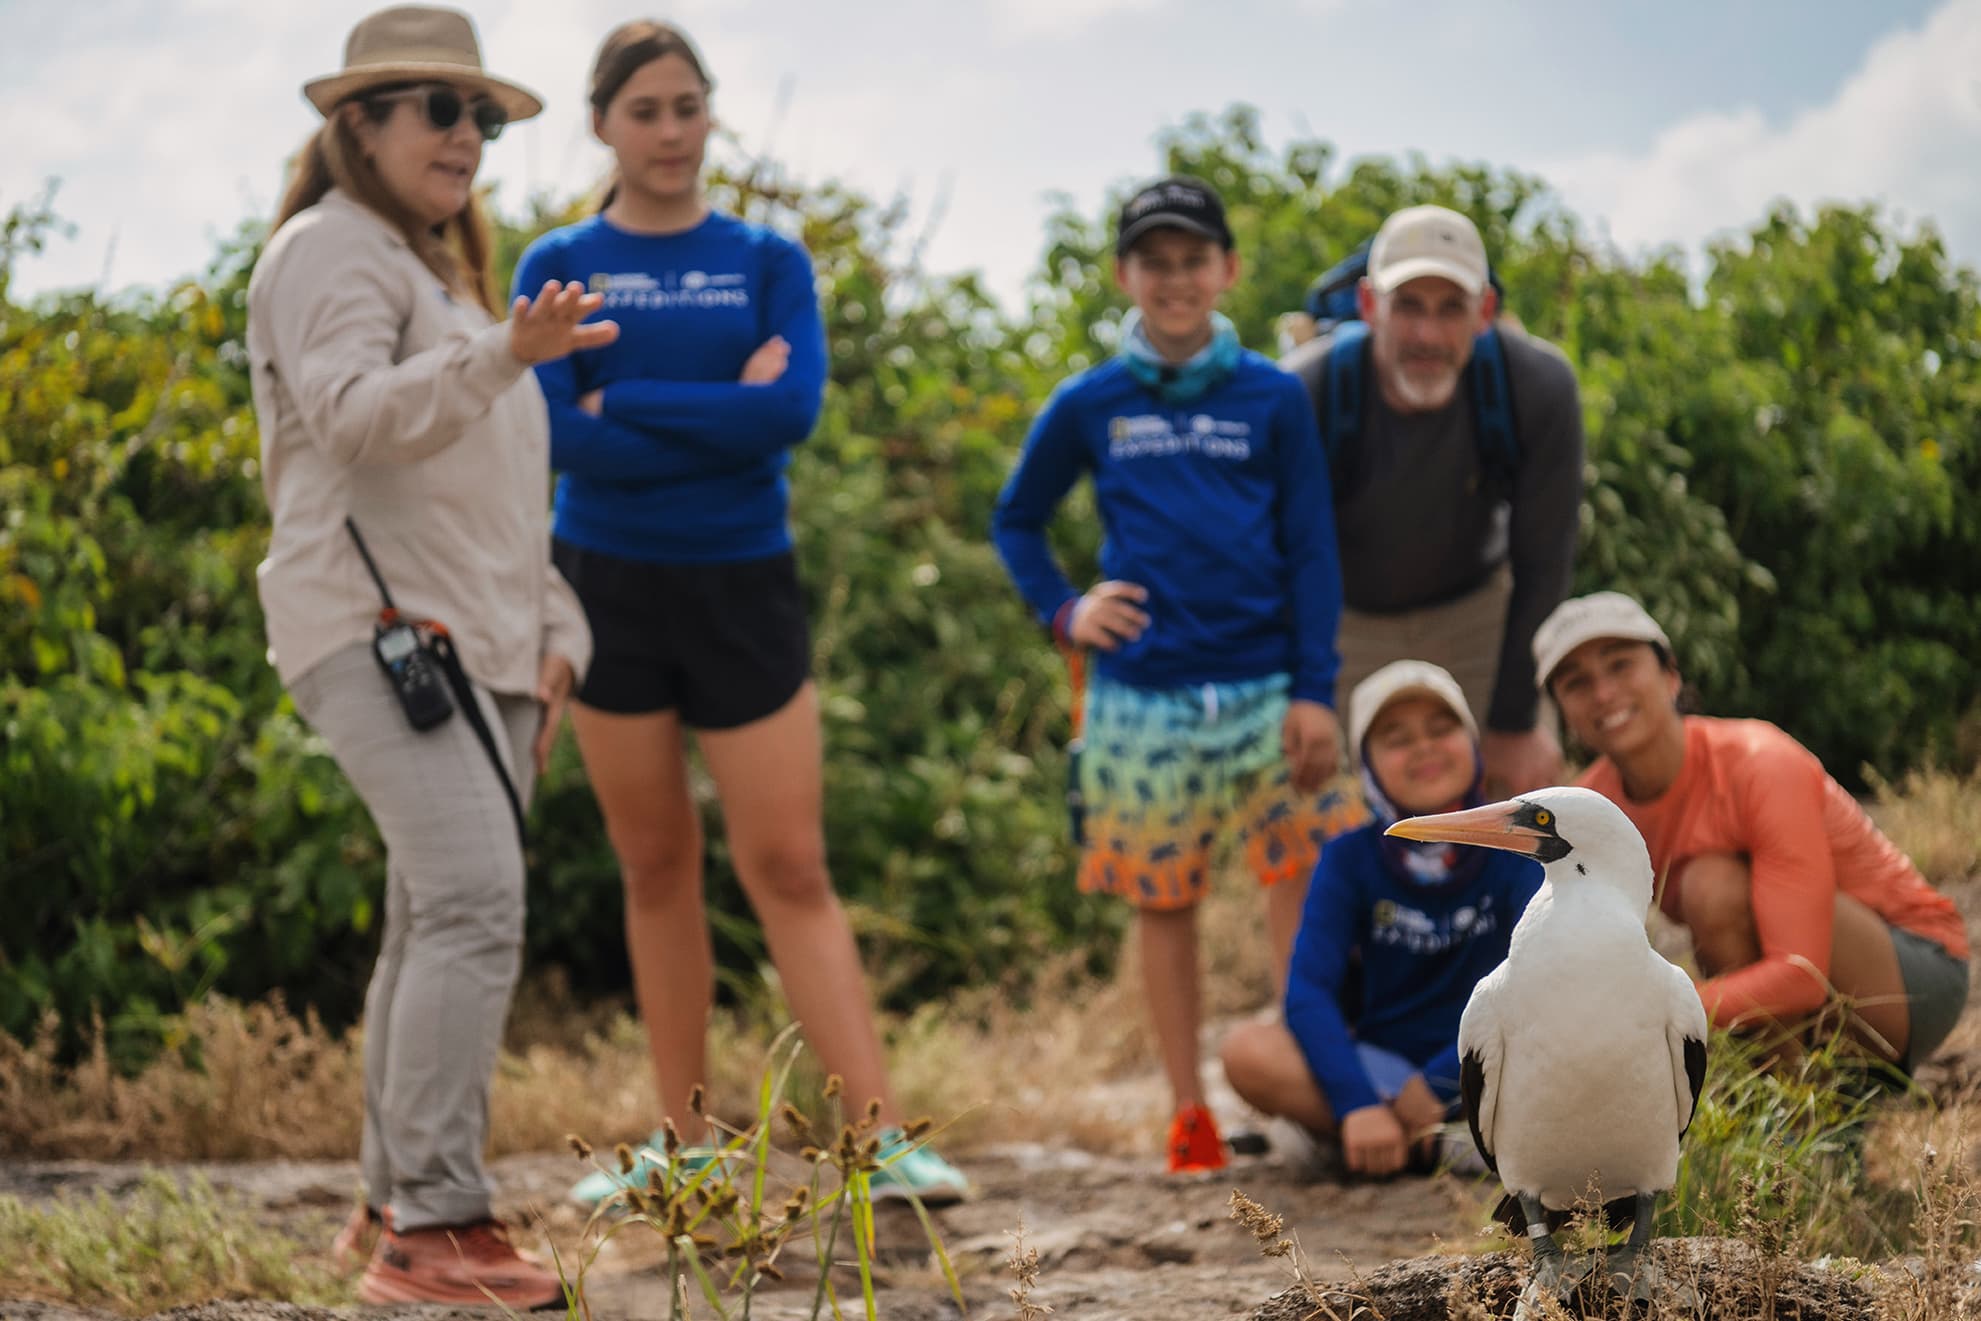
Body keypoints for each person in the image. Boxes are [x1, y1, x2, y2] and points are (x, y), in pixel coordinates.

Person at [510, 19, 968, 1208]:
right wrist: (711, 401)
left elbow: (790, 416)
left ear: (711, 115)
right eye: (644, 111)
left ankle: (877, 1143)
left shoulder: (767, 258)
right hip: (604, 584)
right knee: (654, 861)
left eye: (687, 107)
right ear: (602, 123)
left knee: (789, 863)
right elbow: (552, 434)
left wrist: (627, 399)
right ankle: (686, 1141)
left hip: (744, 582)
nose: (670, 131)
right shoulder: (558, 261)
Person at [249, 5, 609, 1306]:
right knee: (471, 905)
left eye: (486, 117)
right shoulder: (329, 251)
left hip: (479, 650)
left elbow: (491, 502)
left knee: (427, 916)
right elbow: (350, 422)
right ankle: (441, 1233)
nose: (471, 135)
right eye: (440, 110)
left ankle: (391, 1205)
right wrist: (509, 351)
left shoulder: (436, 276)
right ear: (358, 124)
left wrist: (555, 636)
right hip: (379, 630)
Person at [992, 175, 1357, 1174]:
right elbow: (1015, 518)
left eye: (1194, 258)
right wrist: (1067, 612)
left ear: (1227, 270)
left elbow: (1311, 550)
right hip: (1141, 696)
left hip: (1265, 686)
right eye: (1154, 260)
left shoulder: (1273, 396)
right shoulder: (1091, 398)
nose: (1175, 278)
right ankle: (1188, 1112)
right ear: (1125, 275)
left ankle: (1309, 1089)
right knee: (1165, 903)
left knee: (1301, 886)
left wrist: (1316, 688)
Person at [1533, 591, 1971, 1071]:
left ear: (1671, 674)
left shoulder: (1760, 762)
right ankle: (1807, 1103)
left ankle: (1800, 1116)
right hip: (1812, 992)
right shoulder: (1588, 808)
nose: (1602, 693)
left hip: (1918, 972)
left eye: (1620, 665)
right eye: (1577, 683)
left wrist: (1658, 1009)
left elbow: (1800, 975)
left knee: (1711, 887)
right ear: (1563, 713)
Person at [1282, 205, 1584, 798]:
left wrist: (1515, 721)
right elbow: (1271, 558)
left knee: (1522, 807)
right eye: (1409, 306)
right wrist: (1304, 694)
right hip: (1341, 623)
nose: (1427, 335)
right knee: (1323, 809)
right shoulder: (1304, 393)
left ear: (1485, 313)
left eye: (1451, 308)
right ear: (1370, 306)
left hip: (1478, 616)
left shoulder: (1537, 387)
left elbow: (1544, 563)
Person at [1220, 661, 1543, 1177]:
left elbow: (1536, 984)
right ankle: (1424, 1144)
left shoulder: (1517, 846)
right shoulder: (1349, 857)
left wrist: (1440, 1085)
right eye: (1397, 738)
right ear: (1365, 766)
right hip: (1378, 1070)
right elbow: (1307, 993)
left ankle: (1362, 1146)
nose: (1424, 748)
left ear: (1473, 743)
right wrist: (1357, 1102)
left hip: (1489, 1063)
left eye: (1442, 729)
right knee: (1248, 1052)